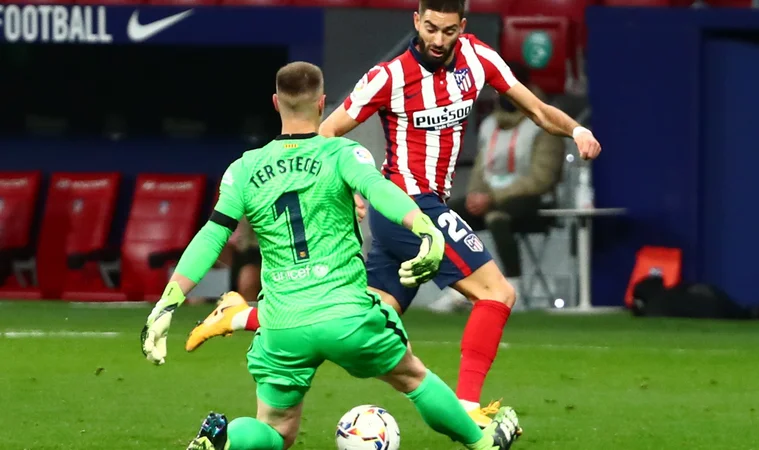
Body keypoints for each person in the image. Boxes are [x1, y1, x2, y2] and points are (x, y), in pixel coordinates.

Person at [186, 0, 602, 427]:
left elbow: (536, 109)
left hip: (425, 207)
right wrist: (346, 186)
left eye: (448, 31)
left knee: (364, 317)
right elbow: (324, 132)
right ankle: (468, 409)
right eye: (430, 29)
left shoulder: (480, 58)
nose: (438, 40)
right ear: (416, 22)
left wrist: (576, 129)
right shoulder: (389, 77)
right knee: (497, 293)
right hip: (406, 206)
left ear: (463, 26)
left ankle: (239, 314)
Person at [140, 62, 521, 450]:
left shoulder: (243, 169)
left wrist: (168, 301)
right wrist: (423, 226)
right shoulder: (343, 152)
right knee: (412, 377)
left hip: (282, 326)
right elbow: (379, 189)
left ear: (275, 103)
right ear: (323, 104)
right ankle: (481, 441)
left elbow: (212, 235)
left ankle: (223, 440)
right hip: (346, 316)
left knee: (276, 430)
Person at [430, 76, 566, 313]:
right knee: (447, 217)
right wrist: (475, 196)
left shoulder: (542, 125)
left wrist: (493, 197)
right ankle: (460, 290)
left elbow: (542, 178)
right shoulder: (489, 125)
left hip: (532, 201)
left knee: (497, 218)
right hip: (489, 199)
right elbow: (481, 169)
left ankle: (512, 291)